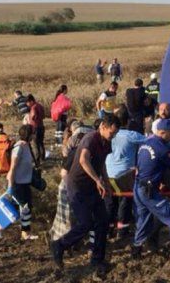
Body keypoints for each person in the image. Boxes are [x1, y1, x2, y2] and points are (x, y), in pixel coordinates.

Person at [50, 114, 121, 274]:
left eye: (115, 133)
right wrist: (97, 180)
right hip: (78, 187)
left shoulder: (106, 143)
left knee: (103, 221)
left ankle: (97, 260)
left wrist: (107, 183)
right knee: (85, 223)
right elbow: (83, 160)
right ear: (103, 126)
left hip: (92, 187)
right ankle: (59, 245)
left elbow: (101, 163)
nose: (113, 136)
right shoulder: (90, 139)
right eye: (112, 132)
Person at [130, 119, 170, 262]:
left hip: (138, 187)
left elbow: (152, 162)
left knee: (143, 221)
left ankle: (136, 251)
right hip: (149, 191)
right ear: (162, 132)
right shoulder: (164, 148)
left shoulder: (145, 143)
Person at [105, 106, 147, 237]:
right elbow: (150, 142)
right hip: (124, 176)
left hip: (107, 174)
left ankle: (108, 229)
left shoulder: (106, 134)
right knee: (125, 200)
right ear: (128, 120)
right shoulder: (131, 135)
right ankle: (122, 230)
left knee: (110, 202)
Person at [0, 125, 38, 241]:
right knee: (23, 208)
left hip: (25, 183)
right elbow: (12, 168)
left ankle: (5, 228)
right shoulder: (19, 148)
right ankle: (3, 228)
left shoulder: (26, 146)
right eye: (33, 133)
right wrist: (10, 187)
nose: (34, 135)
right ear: (29, 134)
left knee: (20, 208)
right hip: (18, 184)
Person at [27, 94, 46, 165]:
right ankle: (42, 158)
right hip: (41, 126)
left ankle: (37, 161)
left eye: (28, 102)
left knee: (35, 144)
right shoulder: (40, 105)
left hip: (35, 127)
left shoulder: (33, 107)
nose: (27, 104)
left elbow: (33, 116)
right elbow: (43, 116)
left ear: (31, 101)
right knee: (41, 143)